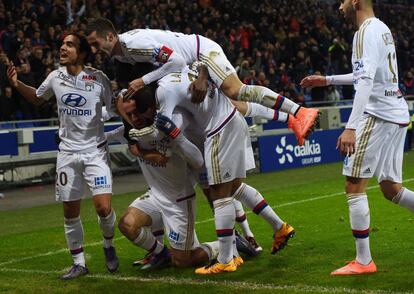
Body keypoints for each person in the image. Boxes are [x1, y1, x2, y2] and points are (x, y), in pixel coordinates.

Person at [129, 63, 295, 274]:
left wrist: (140, 135)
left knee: (219, 196)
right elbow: (241, 103)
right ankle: (276, 228)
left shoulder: (170, 101)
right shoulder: (182, 78)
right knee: (233, 188)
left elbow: (169, 134)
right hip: (222, 132)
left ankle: (229, 255)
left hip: (215, 139)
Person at [300, 0, 414, 275]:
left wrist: (351, 127)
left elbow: (365, 82)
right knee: (390, 188)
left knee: (353, 185)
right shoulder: (381, 28)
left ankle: (364, 261)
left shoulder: (363, 32)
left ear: (356, 1)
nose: (339, 5)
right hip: (396, 112)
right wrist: (327, 80)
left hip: (377, 115)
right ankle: (363, 260)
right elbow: (367, 74)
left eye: (343, 0)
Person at [86, 18, 319, 145]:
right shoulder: (119, 55)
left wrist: (142, 80)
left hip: (200, 53)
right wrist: (106, 115)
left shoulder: (133, 45)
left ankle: (300, 111)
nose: (95, 50)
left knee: (236, 90)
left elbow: (176, 60)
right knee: (231, 106)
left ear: (110, 36)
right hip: (188, 66)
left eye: (96, 43)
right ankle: (291, 119)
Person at [6, 33, 119, 280]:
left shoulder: (98, 79)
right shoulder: (55, 77)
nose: (63, 48)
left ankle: (109, 244)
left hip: (95, 152)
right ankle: (79, 262)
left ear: (81, 53)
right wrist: (16, 84)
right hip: (67, 154)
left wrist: (99, 115)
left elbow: (111, 109)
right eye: (62, 45)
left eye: (69, 45)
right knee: (70, 211)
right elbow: (37, 97)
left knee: (103, 207)